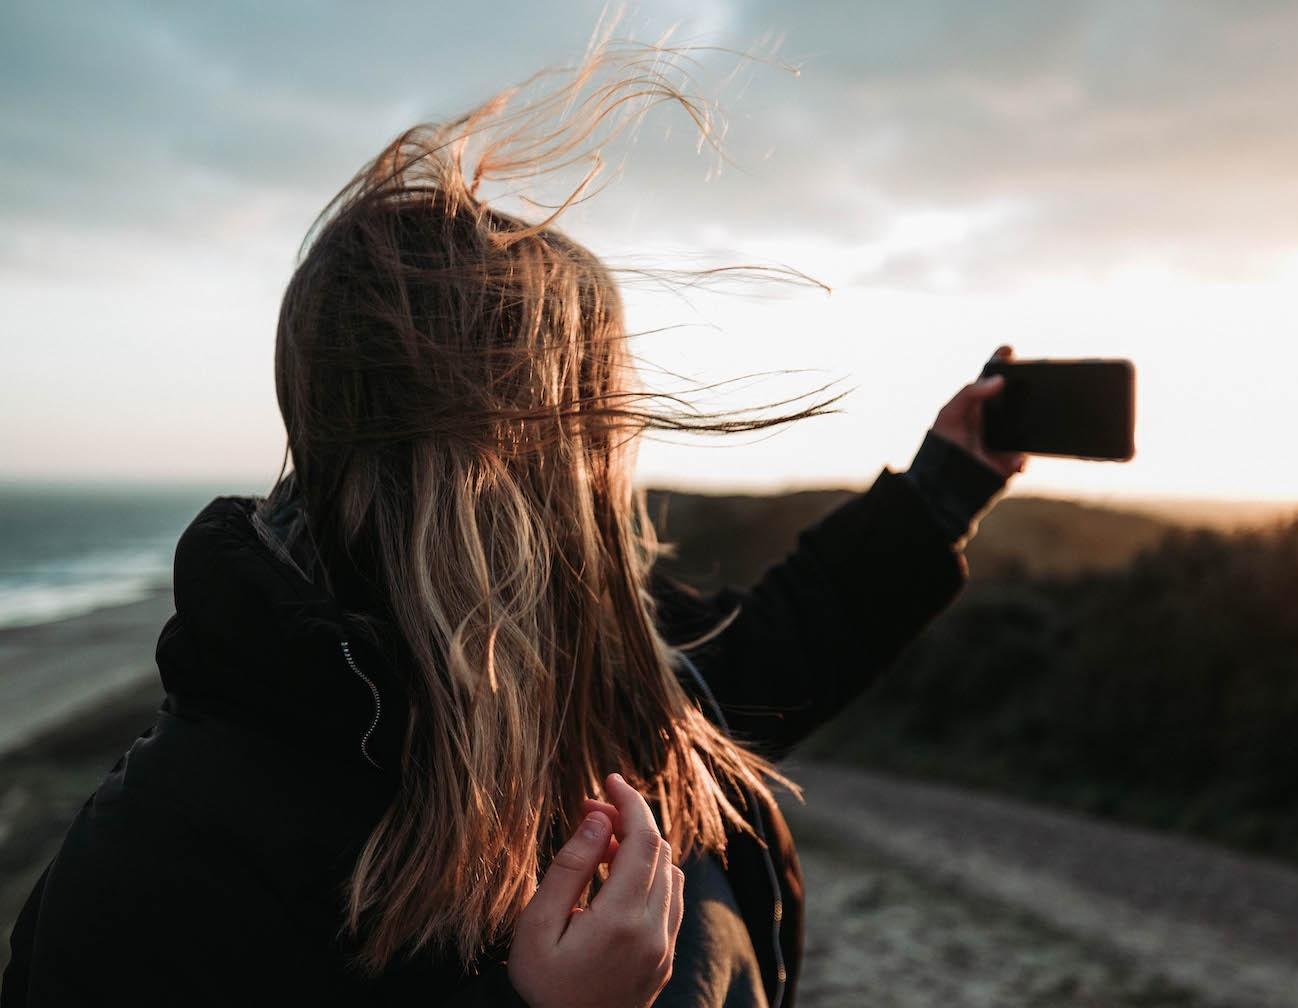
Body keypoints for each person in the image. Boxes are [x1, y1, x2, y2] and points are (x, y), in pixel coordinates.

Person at [1, 57, 1025, 1008]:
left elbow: (770, 654)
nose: (615, 468)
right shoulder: (161, 869)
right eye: (599, 424)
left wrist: (943, 490)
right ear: (509, 469)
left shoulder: (607, 685)